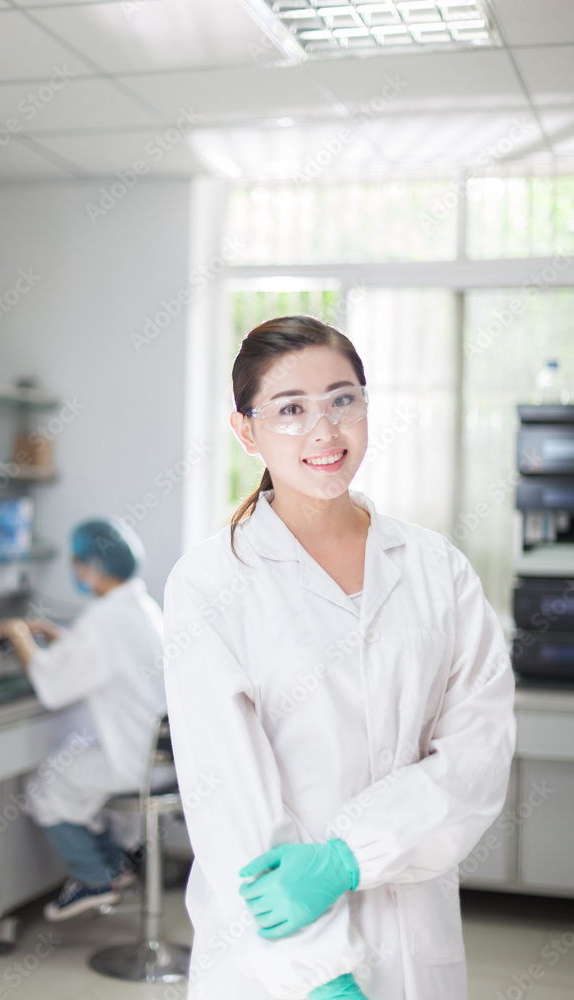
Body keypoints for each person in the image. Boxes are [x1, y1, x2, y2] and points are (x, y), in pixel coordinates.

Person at [162, 316, 516, 1000]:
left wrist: (350, 856)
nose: (323, 432)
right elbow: (228, 804)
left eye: (340, 399)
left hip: (415, 932)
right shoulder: (212, 582)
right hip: (274, 959)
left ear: (364, 406)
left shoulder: (434, 567)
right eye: (290, 410)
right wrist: (316, 975)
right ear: (246, 431)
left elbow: (478, 746)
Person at [0, 518, 168, 921]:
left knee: (46, 786)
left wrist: (19, 636)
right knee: (77, 777)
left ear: (90, 565)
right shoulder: (141, 608)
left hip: (131, 762)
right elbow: (112, 658)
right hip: (163, 759)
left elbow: (51, 686)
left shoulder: (101, 622)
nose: (76, 570)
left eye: (77, 562)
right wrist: (60, 637)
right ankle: (115, 867)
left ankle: (96, 877)